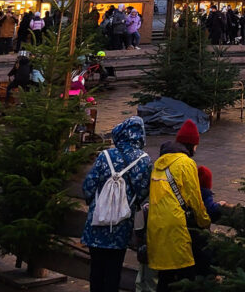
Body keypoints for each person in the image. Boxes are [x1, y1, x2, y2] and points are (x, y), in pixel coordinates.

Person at [81, 116, 152, 292]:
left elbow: (88, 186)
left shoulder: (105, 155)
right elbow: (144, 192)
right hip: (121, 226)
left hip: (97, 223)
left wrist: (95, 203)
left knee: (96, 271)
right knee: (114, 271)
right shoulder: (144, 160)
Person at [147, 119, 212, 290]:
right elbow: (194, 199)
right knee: (186, 276)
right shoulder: (186, 163)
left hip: (156, 226)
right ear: (192, 144)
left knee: (165, 277)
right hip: (176, 226)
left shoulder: (159, 163)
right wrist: (204, 221)